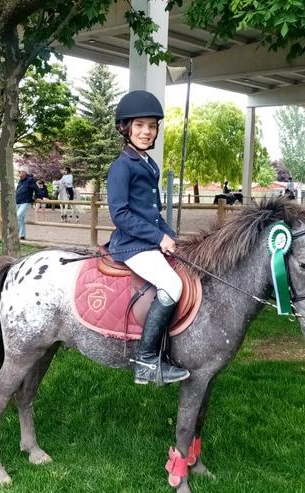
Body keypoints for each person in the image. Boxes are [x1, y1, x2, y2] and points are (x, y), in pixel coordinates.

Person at [107, 90, 189, 386]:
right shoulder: (121, 167)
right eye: (140, 125)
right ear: (124, 128)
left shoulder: (147, 163)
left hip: (148, 240)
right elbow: (121, 215)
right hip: (130, 244)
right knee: (172, 284)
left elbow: (151, 211)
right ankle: (146, 362)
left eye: (152, 126)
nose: (146, 131)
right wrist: (157, 237)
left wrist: (169, 235)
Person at [15, 167, 40, 240]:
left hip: (26, 201)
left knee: (18, 215)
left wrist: (38, 196)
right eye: (18, 171)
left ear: (24, 173)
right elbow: (18, 190)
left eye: (20, 171)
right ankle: (22, 235)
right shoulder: (20, 181)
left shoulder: (30, 180)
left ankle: (16, 233)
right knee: (21, 218)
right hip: (18, 201)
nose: (19, 173)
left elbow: (36, 188)